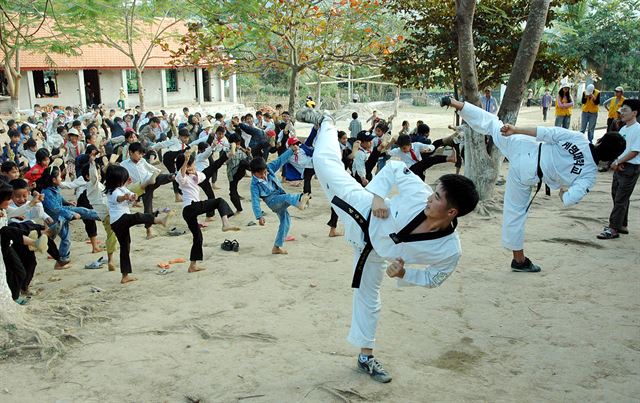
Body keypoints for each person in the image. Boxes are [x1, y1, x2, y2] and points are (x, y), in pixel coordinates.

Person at [295, 107, 479, 383]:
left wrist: (405, 274)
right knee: (324, 162)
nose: (430, 198)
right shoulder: (420, 194)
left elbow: (434, 277)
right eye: (434, 191)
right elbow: (393, 167)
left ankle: (365, 356)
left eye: (438, 197)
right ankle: (327, 122)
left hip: (375, 254)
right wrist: (379, 195)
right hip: (362, 210)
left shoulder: (449, 250)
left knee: (370, 300)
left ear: (452, 212)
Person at [441, 96, 601, 273]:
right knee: (515, 213)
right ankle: (519, 260)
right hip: (529, 174)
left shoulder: (579, 139)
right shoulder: (589, 175)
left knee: (493, 123)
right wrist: (563, 189)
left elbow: (546, 133)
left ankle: (456, 104)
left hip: (523, 147)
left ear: (601, 141)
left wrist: (515, 130)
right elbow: (568, 199)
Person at [175, 150, 239, 272]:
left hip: (189, 212)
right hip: (191, 207)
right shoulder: (180, 177)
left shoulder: (194, 176)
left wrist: (193, 171)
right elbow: (181, 175)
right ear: (186, 165)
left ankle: (192, 265)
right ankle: (225, 224)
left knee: (198, 237)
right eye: (192, 164)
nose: (194, 166)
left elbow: (204, 175)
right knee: (219, 201)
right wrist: (186, 163)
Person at [105, 165, 171, 284]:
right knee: (137, 217)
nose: (125, 181)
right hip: (119, 221)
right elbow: (119, 198)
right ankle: (159, 220)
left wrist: (132, 197)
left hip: (120, 221)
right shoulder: (112, 192)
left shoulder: (122, 188)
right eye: (123, 179)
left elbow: (130, 196)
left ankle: (125, 276)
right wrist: (124, 197)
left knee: (125, 247)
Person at [249, 151, 311, 255]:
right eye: (259, 174)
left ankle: (276, 247)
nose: (263, 175)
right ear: (253, 173)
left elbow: (280, 160)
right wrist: (259, 216)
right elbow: (255, 201)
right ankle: (299, 201)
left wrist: (291, 150)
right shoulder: (254, 185)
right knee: (288, 197)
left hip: (280, 197)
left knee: (285, 222)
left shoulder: (269, 168)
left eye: (264, 172)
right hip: (273, 202)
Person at [597, 99, 640, 240]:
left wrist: (619, 161)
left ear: (634, 113)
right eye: (622, 110)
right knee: (617, 195)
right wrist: (616, 161)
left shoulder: (638, 129)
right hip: (619, 166)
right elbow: (619, 148)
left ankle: (613, 228)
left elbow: (634, 151)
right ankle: (622, 224)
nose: (622, 113)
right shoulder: (623, 129)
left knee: (621, 197)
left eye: (625, 110)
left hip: (630, 168)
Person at [120, 142, 174, 239]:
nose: (140, 156)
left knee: (160, 177)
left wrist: (156, 173)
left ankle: (171, 177)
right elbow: (120, 178)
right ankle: (149, 230)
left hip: (151, 181)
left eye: (142, 154)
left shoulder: (143, 161)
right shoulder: (123, 165)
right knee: (148, 207)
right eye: (138, 153)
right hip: (140, 188)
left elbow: (155, 169)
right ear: (131, 153)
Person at [388, 134, 457, 181]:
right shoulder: (399, 151)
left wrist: (428, 149)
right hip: (410, 169)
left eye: (404, 148)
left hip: (420, 168)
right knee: (429, 160)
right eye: (401, 148)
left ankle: (450, 154)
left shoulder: (417, 145)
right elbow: (387, 152)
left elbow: (432, 147)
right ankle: (450, 158)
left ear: (409, 144)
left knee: (421, 183)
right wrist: (391, 142)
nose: (403, 150)